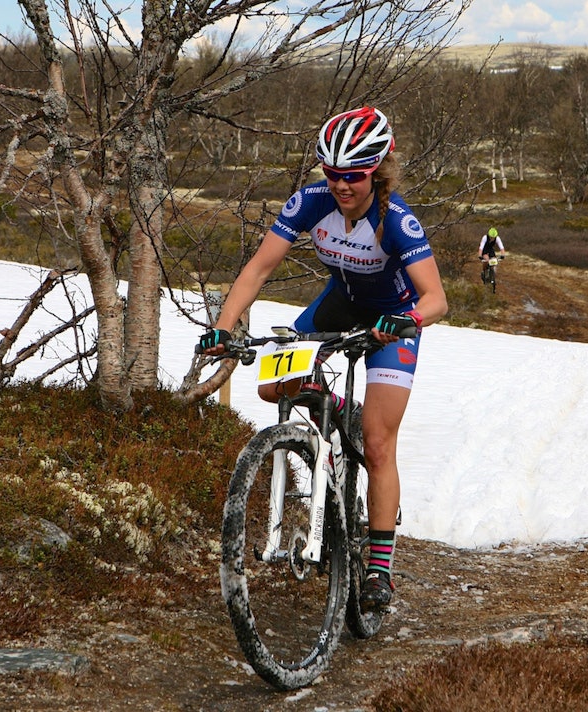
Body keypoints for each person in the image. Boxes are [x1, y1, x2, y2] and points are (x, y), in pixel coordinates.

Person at [197, 106, 448, 610]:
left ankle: (379, 569)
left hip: (394, 316)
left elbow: (436, 299)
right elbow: (258, 268)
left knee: (378, 444)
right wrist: (222, 328)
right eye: (332, 175)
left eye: (352, 177)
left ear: (377, 171)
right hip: (340, 302)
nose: (340, 187)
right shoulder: (311, 202)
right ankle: (335, 407)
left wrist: (408, 323)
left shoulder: (396, 219)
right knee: (274, 387)